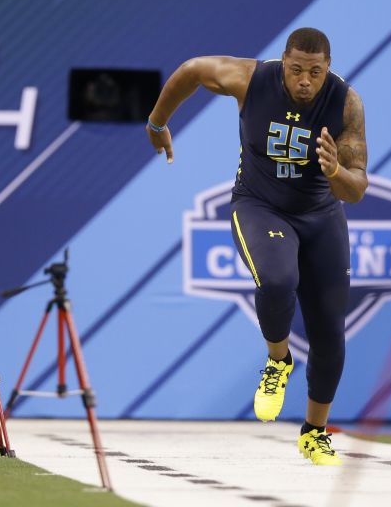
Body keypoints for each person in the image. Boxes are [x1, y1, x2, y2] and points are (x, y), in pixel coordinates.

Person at [145, 28, 368, 466]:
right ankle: (278, 360)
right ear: (283, 61)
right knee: (278, 278)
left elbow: (356, 188)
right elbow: (191, 71)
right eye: (297, 69)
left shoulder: (345, 102)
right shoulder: (250, 79)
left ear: (328, 69)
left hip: (321, 216)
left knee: (329, 332)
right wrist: (157, 123)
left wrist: (336, 170)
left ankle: (314, 433)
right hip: (260, 205)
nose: (305, 80)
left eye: (316, 72)